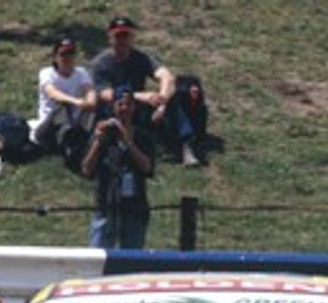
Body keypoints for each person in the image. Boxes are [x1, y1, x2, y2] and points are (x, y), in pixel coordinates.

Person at [87, 15, 201, 166]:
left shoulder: (141, 58)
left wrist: (162, 103)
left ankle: (186, 146)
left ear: (132, 37)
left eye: (125, 35)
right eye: (118, 36)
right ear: (110, 38)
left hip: (136, 108)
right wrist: (140, 96)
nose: (122, 40)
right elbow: (106, 94)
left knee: (172, 97)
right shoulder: (100, 63)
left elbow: (167, 77)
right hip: (114, 111)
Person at [80, 85, 155, 249]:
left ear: (134, 107)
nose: (124, 108)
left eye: (128, 104)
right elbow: (86, 169)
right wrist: (98, 142)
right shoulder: (102, 134)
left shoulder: (143, 136)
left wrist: (128, 142)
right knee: (97, 254)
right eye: (120, 104)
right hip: (105, 204)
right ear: (113, 107)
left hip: (134, 206)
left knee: (132, 259)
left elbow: (147, 167)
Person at [29, 37, 95, 150]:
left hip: (74, 122)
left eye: (71, 53)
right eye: (63, 54)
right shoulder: (46, 73)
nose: (67, 57)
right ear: (55, 57)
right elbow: (53, 93)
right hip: (49, 125)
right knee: (63, 107)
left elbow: (90, 91)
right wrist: (77, 101)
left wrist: (90, 102)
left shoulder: (81, 73)